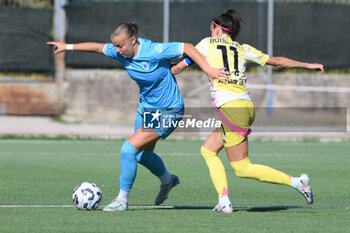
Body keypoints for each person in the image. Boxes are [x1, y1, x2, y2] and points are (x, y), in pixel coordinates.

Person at [47, 22, 228, 212]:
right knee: (141, 155)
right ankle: (168, 180)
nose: (117, 50)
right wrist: (66, 46)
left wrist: (208, 70)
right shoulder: (119, 51)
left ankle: (121, 200)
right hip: (146, 109)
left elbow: (188, 48)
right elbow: (99, 48)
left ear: (133, 40)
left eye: (120, 46)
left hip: (169, 109)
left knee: (128, 150)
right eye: (115, 46)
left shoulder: (154, 50)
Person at [171, 9, 324, 213]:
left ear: (217, 30)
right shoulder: (243, 49)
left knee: (242, 168)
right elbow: (278, 62)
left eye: (212, 29)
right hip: (244, 106)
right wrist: (308, 65)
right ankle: (223, 199)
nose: (211, 32)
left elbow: (178, 68)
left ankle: (297, 182)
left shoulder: (206, 43)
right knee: (208, 150)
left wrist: (153, 71)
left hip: (232, 109)